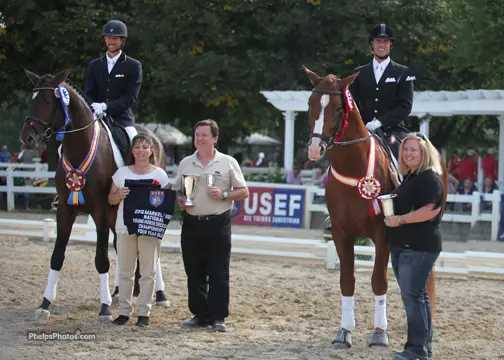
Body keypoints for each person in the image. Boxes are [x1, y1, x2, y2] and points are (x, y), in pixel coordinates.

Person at [172, 119, 249, 332]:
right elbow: (178, 189)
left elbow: (243, 191)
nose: (200, 138)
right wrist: (180, 201)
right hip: (191, 223)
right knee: (194, 272)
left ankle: (218, 317)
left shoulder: (228, 162)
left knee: (218, 272)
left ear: (214, 138)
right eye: (197, 135)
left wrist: (224, 194)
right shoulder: (186, 163)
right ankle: (200, 315)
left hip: (218, 222)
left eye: (204, 135)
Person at [386, 132, 444, 360]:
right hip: (406, 246)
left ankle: (416, 349)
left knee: (413, 299)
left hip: (417, 247)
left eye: (414, 150)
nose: (408, 153)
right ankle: (424, 347)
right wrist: (397, 184)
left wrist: (399, 220)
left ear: (424, 153)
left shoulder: (429, 177)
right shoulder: (412, 177)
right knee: (418, 297)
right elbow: (413, 199)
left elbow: (431, 210)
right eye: (406, 149)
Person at [108, 133, 170, 327]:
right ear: (132, 151)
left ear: (151, 150)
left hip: (149, 227)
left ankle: (144, 312)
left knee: (148, 272)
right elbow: (110, 199)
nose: (141, 150)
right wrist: (118, 195)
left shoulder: (159, 175)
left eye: (145, 147)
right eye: (137, 147)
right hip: (125, 227)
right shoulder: (121, 173)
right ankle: (124, 311)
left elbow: (165, 202)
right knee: (125, 272)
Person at [349, 23, 414, 159]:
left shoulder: (403, 72)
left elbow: (405, 106)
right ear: (372, 44)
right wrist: (361, 124)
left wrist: (380, 122)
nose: (382, 45)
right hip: (363, 130)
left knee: (406, 160)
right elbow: (352, 105)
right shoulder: (358, 73)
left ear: (391, 45)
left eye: (386, 41)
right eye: (378, 41)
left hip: (393, 131)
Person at [84, 19, 142, 144]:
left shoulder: (133, 66)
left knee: (134, 143)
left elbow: (130, 98)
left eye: (115, 38)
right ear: (105, 39)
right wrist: (92, 105)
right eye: (109, 38)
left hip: (121, 118)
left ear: (122, 41)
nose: (111, 41)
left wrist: (106, 106)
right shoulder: (94, 65)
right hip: (95, 116)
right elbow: (88, 92)